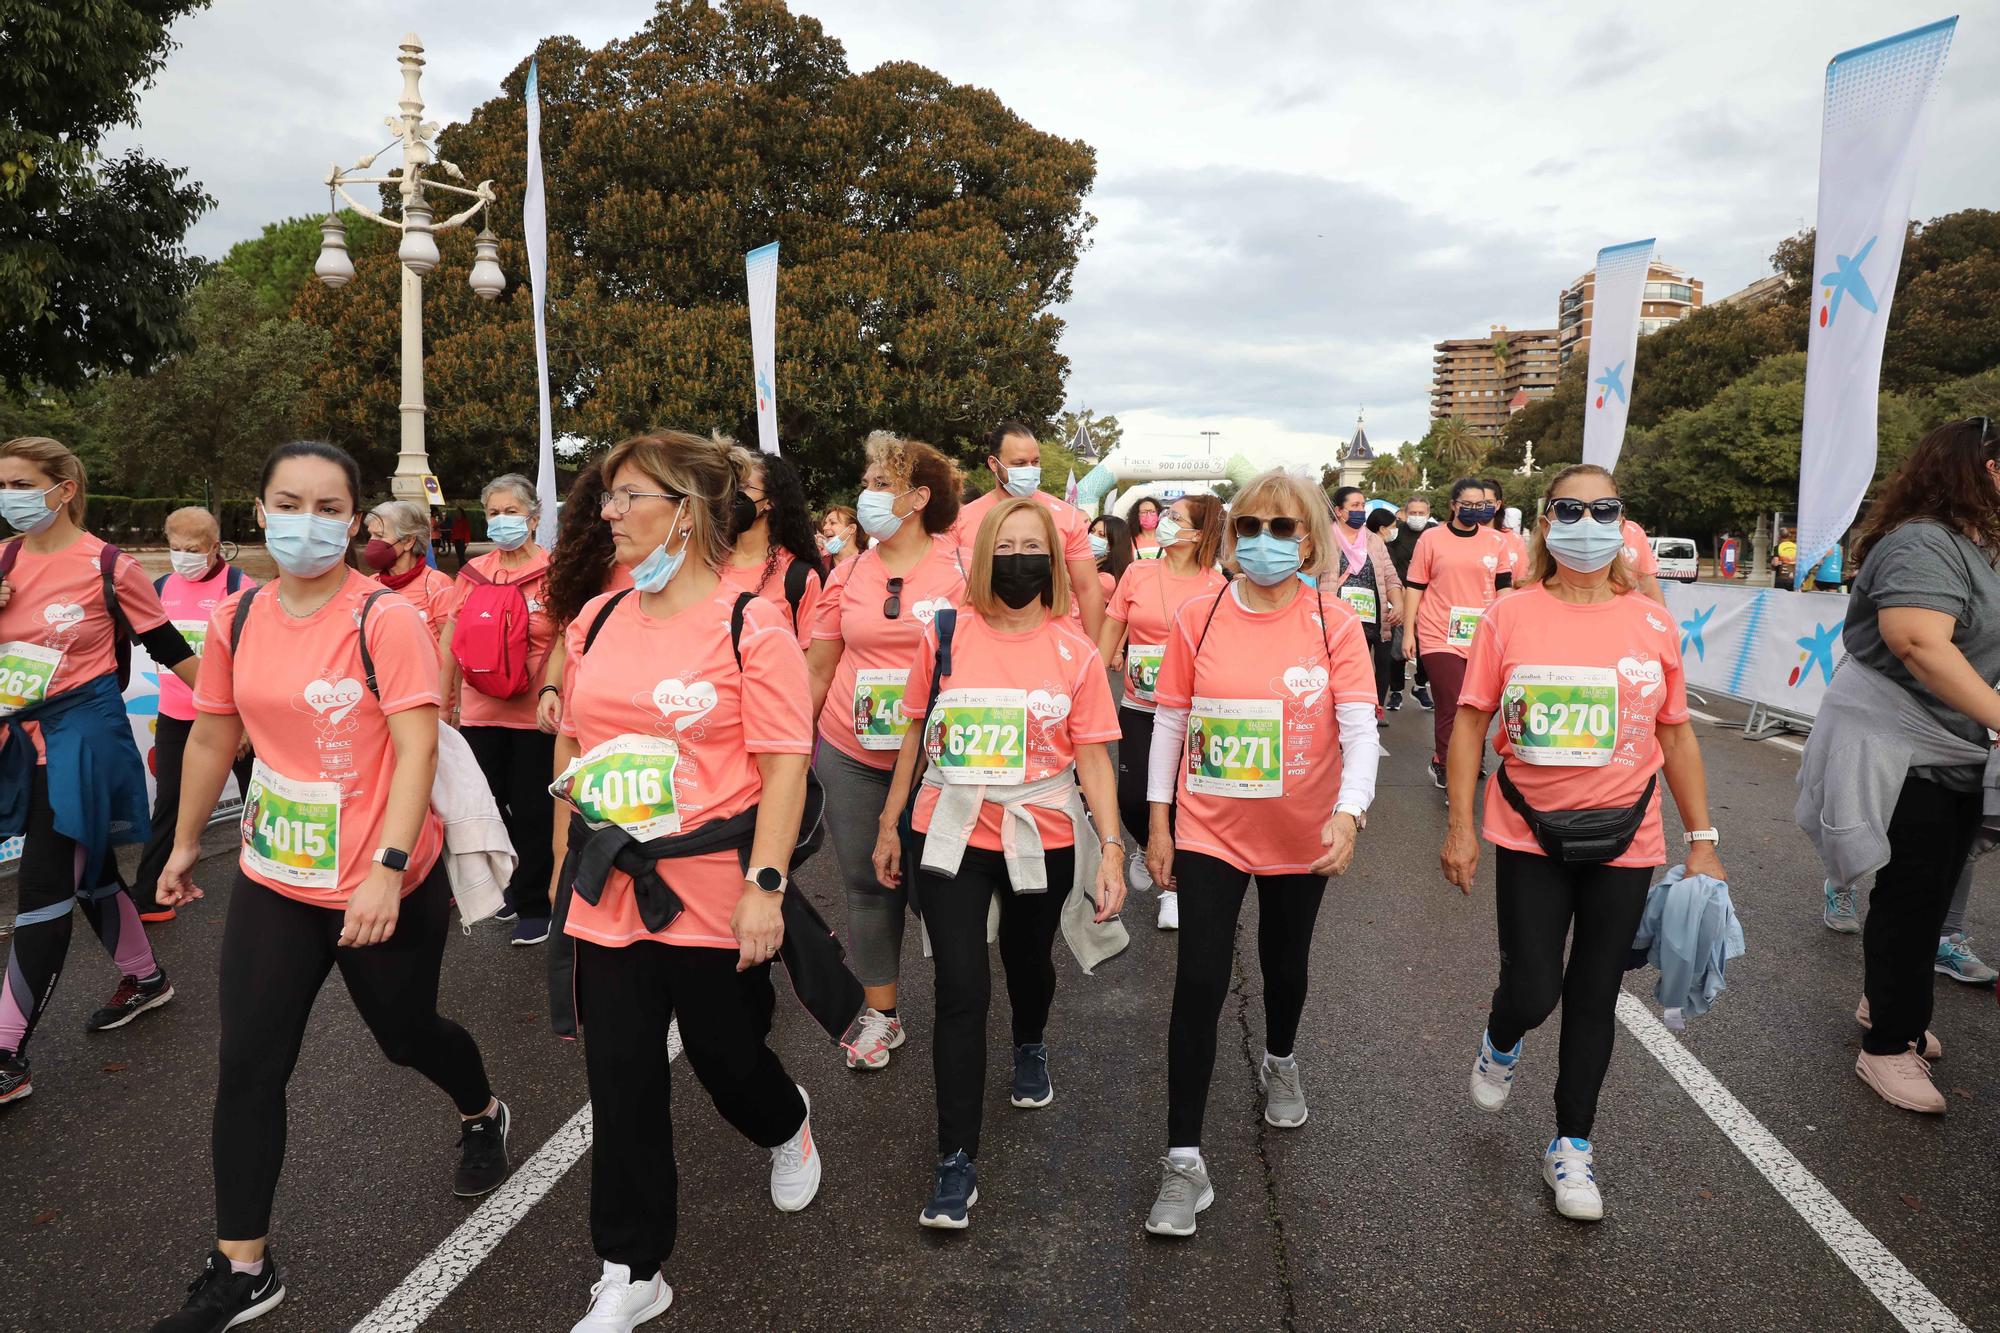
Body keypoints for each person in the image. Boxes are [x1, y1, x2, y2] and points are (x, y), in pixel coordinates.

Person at [146, 441, 506, 1332]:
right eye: (286, 501)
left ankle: (482, 1106)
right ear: (259, 510)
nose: (305, 520)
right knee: (249, 1064)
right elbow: (210, 737)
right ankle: (242, 1267)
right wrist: (186, 841)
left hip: (381, 877)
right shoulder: (237, 618)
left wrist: (387, 870)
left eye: (326, 506)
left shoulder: (383, 619)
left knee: (405, 1034)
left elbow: (419, 744)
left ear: (353, 521)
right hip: (277, 873)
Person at [551, 430, 818, 1329]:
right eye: (609, 497)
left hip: (715, 890)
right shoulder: (595, 617)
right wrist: (565, 862)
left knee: (728, 1062)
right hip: (612, 892)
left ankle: (785, 1123)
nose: (609, 513)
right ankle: (632, 1267)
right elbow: (576, 746)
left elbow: (784, 762)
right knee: (620, 1079)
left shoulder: (752, 621)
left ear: (689, 510)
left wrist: (767, 885)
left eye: (631, 497)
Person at [1440, 464, 1721, 1223]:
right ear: (1546, 523)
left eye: (1605, 509)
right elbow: (1471, 719)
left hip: (1628, 836)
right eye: (1571, 507)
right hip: (1527, 833)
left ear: (1622, 523)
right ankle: (1502, 1037)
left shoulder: (1651, 622)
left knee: (1595, 992)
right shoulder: (1510, 614)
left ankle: (1572, 1146)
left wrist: (1703, 838)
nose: (1587, 523)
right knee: (1533, 987)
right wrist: (1462, 827)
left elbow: (1677, 732)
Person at [870, 494, 1125, 1231]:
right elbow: (913, 733)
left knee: (1027, 960)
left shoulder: (1074, 650)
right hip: (947, 831)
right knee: (959, 987)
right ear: (983, 555)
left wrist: (1109, 848)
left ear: (1052, 559)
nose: (1018, 556)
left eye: (1032, 545)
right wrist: (890, 822)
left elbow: (1097, 763)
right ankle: (955, 1161)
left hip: (1037, 832)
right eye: (1004, 543)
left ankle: (1031, 1039)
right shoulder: (945, 632)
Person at [1139, 469, 1380, 1238]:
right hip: (1211, 829)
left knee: (1285, 962)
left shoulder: (1332, 620)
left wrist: (1350, 813)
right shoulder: (1199, 616)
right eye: (1248, 528)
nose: (1263, 543)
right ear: (1231, 535)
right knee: (1199, 980)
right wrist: (1158, 821)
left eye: (1281, 529)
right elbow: (1170, 723)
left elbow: (1360, 729)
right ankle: (1183, 1161)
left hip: (1301, 831)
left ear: (1309, 538)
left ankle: (1280, 1054)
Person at [1797, 418, 2000, 1116]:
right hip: (1904, 744)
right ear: (1986, 469)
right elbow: (1917, 641)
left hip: (1953, 744)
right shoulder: (1922, 542)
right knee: (1914, 893)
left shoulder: (1979, 545)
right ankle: (1887, 1044)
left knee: (1932, 887)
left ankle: (1888, 997)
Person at [0, 437, 197, 1106]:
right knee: (92, 876)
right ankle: (146, 978)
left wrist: (244, 715)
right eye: (3, 483)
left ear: (63, 488)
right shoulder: (2, 559)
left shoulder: (110, 565)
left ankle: (6, 1054)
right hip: (21, 739)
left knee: (46, 887)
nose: (9, 496)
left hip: (83, 742)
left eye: (21, 482)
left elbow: (171, 648)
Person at [804, 432, 965, 1071]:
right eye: (866, 483)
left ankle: (967, 1006)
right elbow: (818, 669)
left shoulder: (961, 570)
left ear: (918, 497)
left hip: (939, 760)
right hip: (849, 751)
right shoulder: (845, 573)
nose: (865, 496)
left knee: (947, 888)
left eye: (879, 486)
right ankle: (882, 1015)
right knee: (868, 883)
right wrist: (790, 753)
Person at [1097, 495, 1226, 928]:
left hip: (1191, 712)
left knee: (1180, 801)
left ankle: (1172, 889)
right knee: (1133, 797)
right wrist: (1093, 682)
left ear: (1198, 532)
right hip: (1139, 703)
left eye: (1175, 518)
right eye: (1165, 515)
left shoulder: (1216, 584)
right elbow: (1111, 630)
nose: (1163, 522)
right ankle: (1145, 843)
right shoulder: (1137, 572)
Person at [441, 474, 557, 946]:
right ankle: (510, 884)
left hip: (534, 715)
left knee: (534, 809)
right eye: (494, 512)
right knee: (486, 802)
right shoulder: (472, 574)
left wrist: (557, 689)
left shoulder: (556, 571)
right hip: (480, 711)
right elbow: (451, 637)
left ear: (533, 518)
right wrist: (442, 698)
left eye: (512, 512)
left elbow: (571, 638)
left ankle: (535, 903)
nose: (502, 521)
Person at [130, 507, 258, 922]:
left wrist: (242, 720)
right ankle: (150, 896)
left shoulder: (240, 587)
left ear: (215, 547)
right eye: (175, 548)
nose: (183, 556)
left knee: (258, 800)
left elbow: (255, 660)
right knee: (170, 801)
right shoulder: (160, 586)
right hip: (177, 715)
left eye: (194, 549)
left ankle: (272, 887)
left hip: (234, 718)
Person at [1404, 478, 1514, 791]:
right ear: (1453, 505)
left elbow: (1504, 588)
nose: (1475, 509)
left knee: (1480, 704)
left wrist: (1508, 629)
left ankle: (1466, 754)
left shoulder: (1496, 542)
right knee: (1452, 702)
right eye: (1468, 504)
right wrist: (1410, 631)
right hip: (1439, 633)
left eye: (1481, 504)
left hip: (1482, 636)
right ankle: (1446, 763)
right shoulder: (1432, 538)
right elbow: (1415, 586)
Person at [950, 420, 1103, 638]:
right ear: (994, 464)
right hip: (982, 641)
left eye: (1035, 462)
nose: (1030, 470)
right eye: (1019, 463)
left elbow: (1088, 588)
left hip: (1051, 642)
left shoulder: (1065, 516)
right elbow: (951, 590)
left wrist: (1093, 655)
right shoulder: (963, 519)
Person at [539, 463, 629, 738]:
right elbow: (566, 640)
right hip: (587, 713)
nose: (614, 510)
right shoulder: (586, 572)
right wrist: (550, 690)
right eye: (612, 499)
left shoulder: (663, 572)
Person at [723, 445, 824, 648]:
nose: (732, 494)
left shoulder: (799, 578)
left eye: (743, 487)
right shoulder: (706, 564)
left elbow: (809, 664)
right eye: (730, 486)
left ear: (771, 501)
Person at [1330, 486, 1405, 717]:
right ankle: (1339, 712)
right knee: (1344, 670)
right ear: (1339, 511)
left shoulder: (1374, 541)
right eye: (1354, 506)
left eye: (1363, 505)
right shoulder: (1325, 538)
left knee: (1381, 667)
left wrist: (1398, 604)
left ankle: (1375, 711)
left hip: (1376, 619)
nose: (1360, 510)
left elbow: (1391, 577)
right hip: (1339, 621)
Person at [364, 499, 456, 644]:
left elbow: (450, 649)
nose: (372, 542)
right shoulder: (370, 584)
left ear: (408, 541)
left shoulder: (437, 585)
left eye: (380, 536)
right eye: (371, 535)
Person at [1384, 495, 1432, 711]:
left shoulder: (1434, 533)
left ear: (1428, 514)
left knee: (1427, 649)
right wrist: (1401, 600)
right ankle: (1395, 691)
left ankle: (1420, 686)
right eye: (1413, 512)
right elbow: (1391, 568)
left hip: (1431, 602)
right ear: (1404, 513)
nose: (1417, 517)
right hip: (1403, 597)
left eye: (1422, 513)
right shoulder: (1396, 535)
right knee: (1398, 649)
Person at [1483, 478, 1529, 581]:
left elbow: (1522, 577)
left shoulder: (1515, 540)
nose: (1484, 507)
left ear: (1498, 504)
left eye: (1488, 502)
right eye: (1479, 503)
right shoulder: (1466, 536)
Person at [1089, 511, 1134, 605]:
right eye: (1092, 531)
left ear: (1114, 544)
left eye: (1101, 535)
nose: (1092, 537)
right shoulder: (1089, 565)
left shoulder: (1108, 580)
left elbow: (1076, 585)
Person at [1130, 495, 1164, 559]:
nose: (1149, 515)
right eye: (1144, 512)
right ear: (1136, 516)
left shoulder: (1167, 539)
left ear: (1158, 514)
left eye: (1152, 511)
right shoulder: (1130, 542)